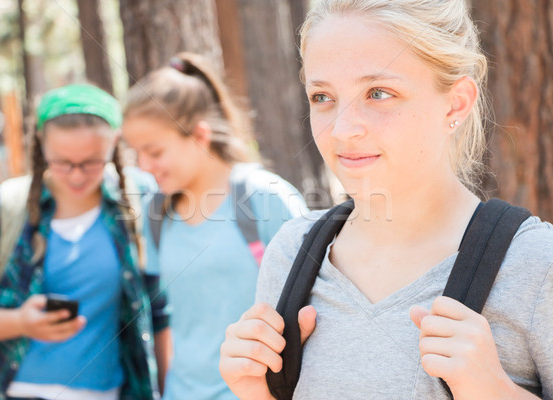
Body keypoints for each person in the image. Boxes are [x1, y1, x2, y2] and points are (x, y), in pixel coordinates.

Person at [219, 1, 553, 399]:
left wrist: (497, 391)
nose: (342, 130)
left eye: (378, 93)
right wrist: (257, 393)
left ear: (456, 103)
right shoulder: (292, 255)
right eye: (322, 96)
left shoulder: (534, 264)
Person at [0, 84, 171, 400]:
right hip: (2, 390)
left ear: (114, 143)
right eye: (62, 162)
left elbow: (160, 312)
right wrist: (19, 322)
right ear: (41, 145)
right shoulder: (0, 208)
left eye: (92, 162)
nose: (77, 176)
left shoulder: (140, 199)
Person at [121, 52, 309, 400]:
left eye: (155, 151)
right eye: (136, 153)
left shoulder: (265, 197)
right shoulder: (155, 213)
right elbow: (166, 319)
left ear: (199, 135)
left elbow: (315, 308)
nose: (144, 166)